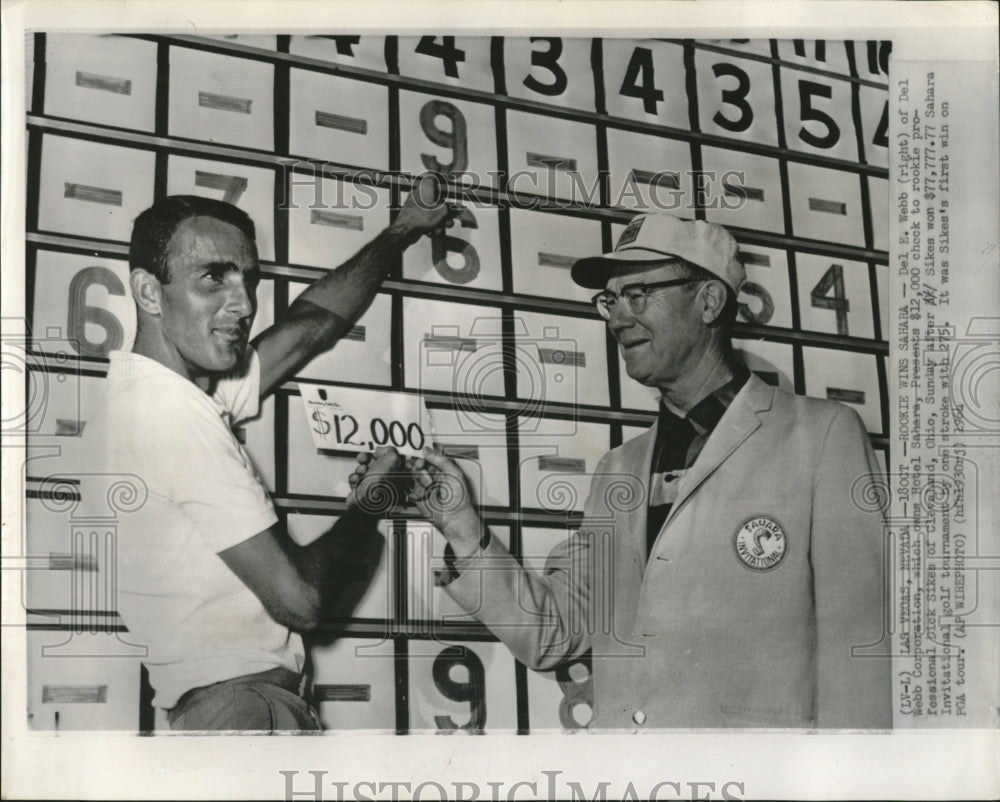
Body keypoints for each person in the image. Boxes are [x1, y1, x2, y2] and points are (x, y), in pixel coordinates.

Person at [408, 211, 892, 729]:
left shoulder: (821, 436)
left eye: (639, 294)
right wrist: (463, 527)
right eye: (611, 300)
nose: (617, 318)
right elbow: (554, 633)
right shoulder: (619, 468)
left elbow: (862, 654)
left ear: (709, 301)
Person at [78, 179, 447, 731]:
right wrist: (370, 505)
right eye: (213, 278)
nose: (244, 304)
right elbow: (301, 601)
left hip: (226, 709)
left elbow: (308, 329)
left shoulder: (159, 396)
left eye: (248, 279)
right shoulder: (170, 417)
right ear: (150, 293)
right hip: (242, 710)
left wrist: (402, 231)